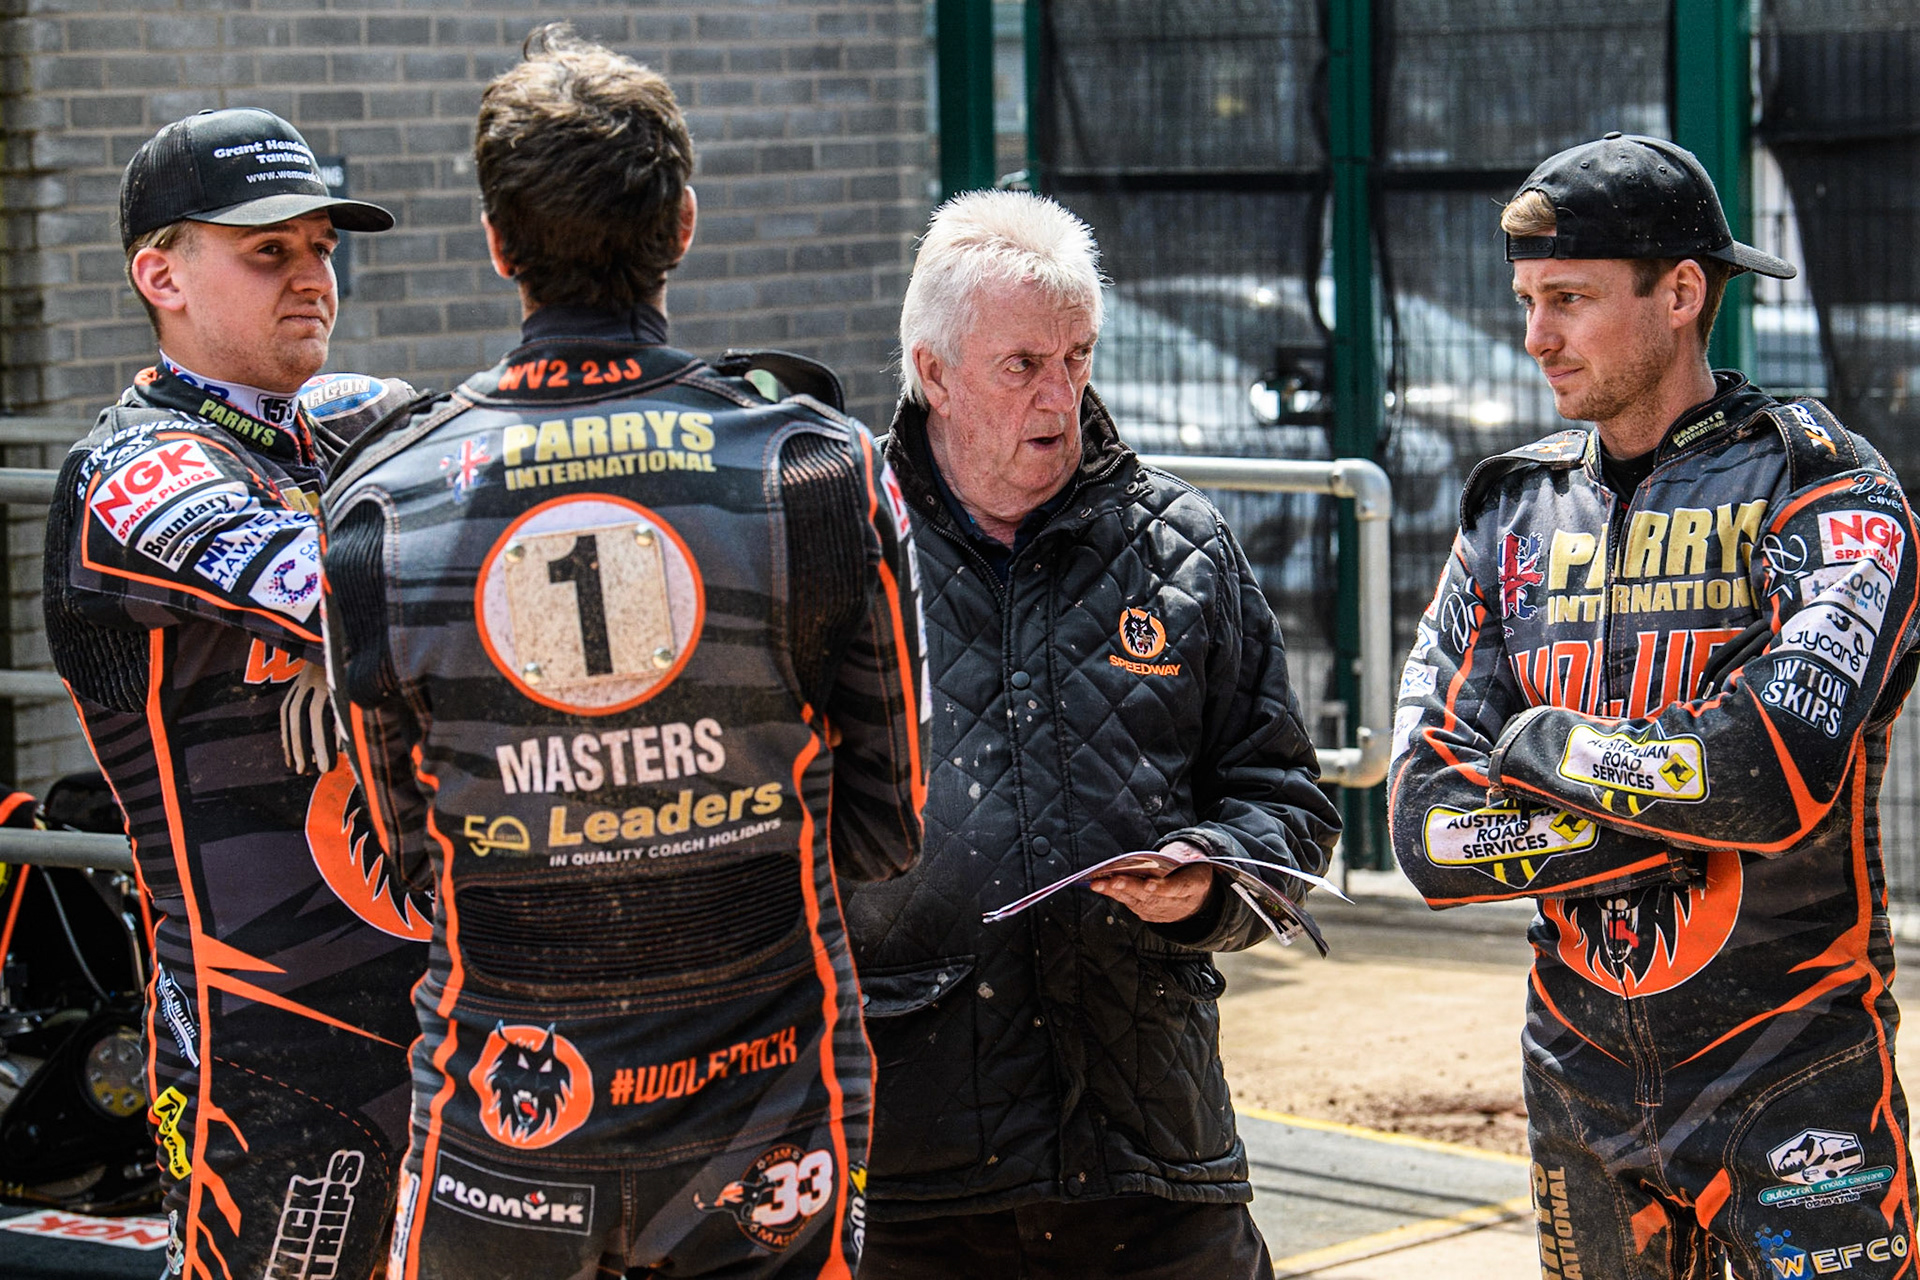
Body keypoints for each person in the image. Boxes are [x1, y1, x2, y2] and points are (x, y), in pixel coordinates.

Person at [319, 27, 928, 1280]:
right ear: (686, 223)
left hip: (501, 1119)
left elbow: (407, 852)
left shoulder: (379, 504)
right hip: (764, 1110)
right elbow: (892, 820)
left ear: (496, 245)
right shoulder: (815, 468)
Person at [1390, 132, 1920, 1279]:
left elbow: (1769, 770)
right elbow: (1427, 832)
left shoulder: (1829, 489)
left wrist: (1542, 748)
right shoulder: (1510, 513)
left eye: (1569, 299)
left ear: (1683, 293)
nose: (1536, 337)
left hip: (1794, 1079)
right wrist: (1666, 821)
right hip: (1575, 1083)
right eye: (1529, 300)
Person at [845, 189, 1341, 1280]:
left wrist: (1214, 873)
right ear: (932, 371)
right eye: (1023, 363)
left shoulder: (1182, 546)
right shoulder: (845, 554)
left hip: (1154, 1153)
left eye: (1078, 356)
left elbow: (1290, 802)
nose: (1061, 394)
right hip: (919, 1171)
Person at [42, 107, 429, 1280]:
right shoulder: (132, 466)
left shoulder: (358, 420)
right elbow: (337, 590)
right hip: (266, 1049)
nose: (311, 275)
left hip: (439, 1008)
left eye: (319, 245)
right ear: (159, 273)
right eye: (267, 250)